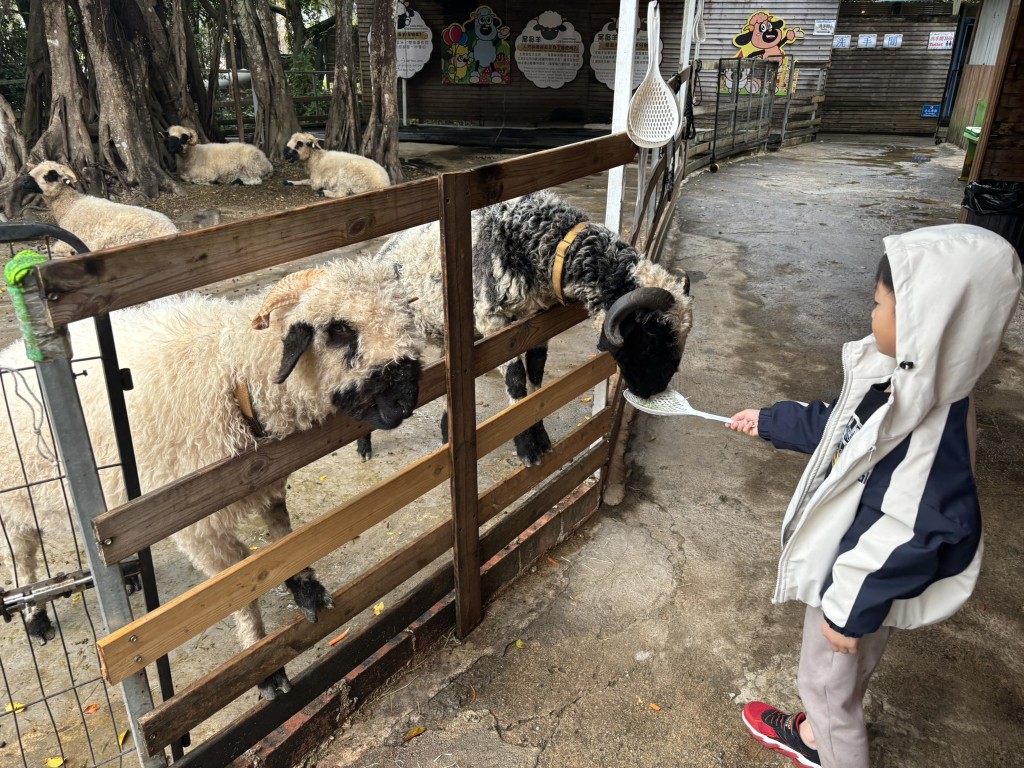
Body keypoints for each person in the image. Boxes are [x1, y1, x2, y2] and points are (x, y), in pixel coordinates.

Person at [725, 224, 1021, 768]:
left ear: (926, 324)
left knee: (826, 687)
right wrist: (770, 421)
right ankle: (816, 734)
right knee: (839, 684)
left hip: (857, 585)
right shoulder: (905, 382)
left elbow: (925, 528)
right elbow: (841, 425)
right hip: (858, 581)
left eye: (879, 302)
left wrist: (848, 609)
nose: (871, 313)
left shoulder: (934, 427)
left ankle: (828, 744)